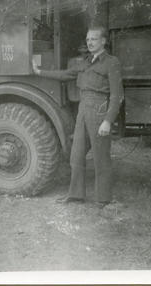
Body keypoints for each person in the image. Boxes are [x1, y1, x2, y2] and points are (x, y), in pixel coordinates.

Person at [32, 26, 124, 207]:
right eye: (88, 39)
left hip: (99, 110)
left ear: (103, 41)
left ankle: (103, 199)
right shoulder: (86, 62)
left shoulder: (111, 63)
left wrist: (107, 120)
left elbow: (117, 95)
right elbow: (65, 74)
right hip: (83, 110)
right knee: (76, 155)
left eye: (94, 39)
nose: (90, 42)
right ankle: (75, 195)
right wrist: (40, 72)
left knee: (100, 157)